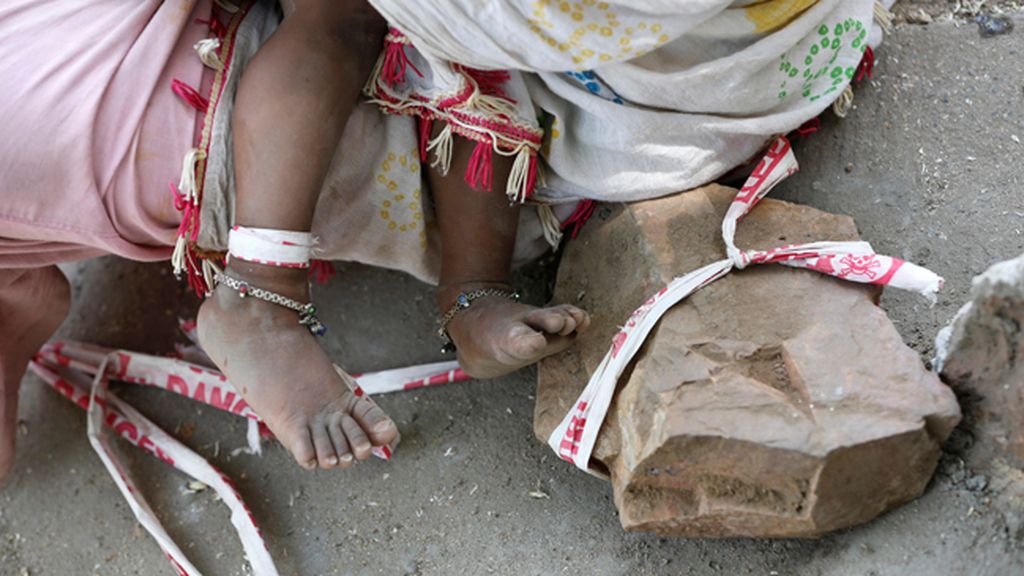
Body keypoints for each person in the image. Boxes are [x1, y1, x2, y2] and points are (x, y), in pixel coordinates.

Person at [2, 0, 887, 483]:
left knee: (385, 44)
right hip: (240, 104)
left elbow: (31, 310)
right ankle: (411, 294)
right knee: (365, 29)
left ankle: (336, 289)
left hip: (226, 138)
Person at [0, 0, 590, 483]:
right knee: (366, 13)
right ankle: (284, 290)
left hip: (209, 168)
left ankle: (460, 295)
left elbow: (37, 302)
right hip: (241, 99)